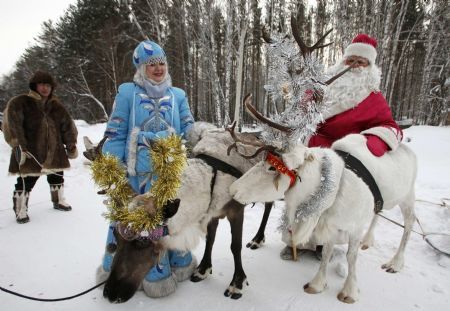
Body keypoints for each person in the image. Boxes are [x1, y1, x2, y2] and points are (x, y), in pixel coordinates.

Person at [280, 34, 403, 260]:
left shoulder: (374, 98)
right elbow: (302, 107)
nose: (355, 65)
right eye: (351, 60)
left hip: (341, 158)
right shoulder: (325, 85)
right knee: (300, 195)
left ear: (369, 66)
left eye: (361, 62)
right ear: (343, 61)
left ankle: (320, 244)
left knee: (329, 203)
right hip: (311, 151)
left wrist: (373, 141)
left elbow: (390, 126)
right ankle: (295, 241)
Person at [99, 40, 195, 296]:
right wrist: (113, 167)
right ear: (141, 67)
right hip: (135, 175)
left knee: (168, 219)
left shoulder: (178, 95)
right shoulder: (128, 92)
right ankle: (133, 270)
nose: (158, 68)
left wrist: (204, 139)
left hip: (169, 172)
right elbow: (116, 132)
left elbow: (190, 128)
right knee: (129, 220)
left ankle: (176, 261)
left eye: (161, 63)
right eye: (151, 64)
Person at [2, 70, 78, 224]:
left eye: (48, 85)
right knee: (26, 180)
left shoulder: (56, 106)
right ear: (34, 85)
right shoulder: (20, 102)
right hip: (30, 151)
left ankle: (58, 200)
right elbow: (12, 125)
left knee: (57, 176)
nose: (45, 88)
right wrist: (19, 145)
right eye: (42, 84)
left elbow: (68, 125)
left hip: (55, 150)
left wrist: (70, 143)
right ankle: (20, 209)